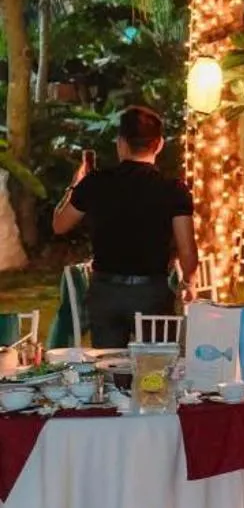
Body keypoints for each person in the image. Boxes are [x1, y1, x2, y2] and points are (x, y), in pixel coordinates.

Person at [53, 106, 199, 347]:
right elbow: (188, 251)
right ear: (159, 144)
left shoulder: (96, 183)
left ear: (120, 143)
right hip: (151, 292)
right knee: (155, 368)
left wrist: (74, 185)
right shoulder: (173, 189)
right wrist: (188, 282)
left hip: (106, 291)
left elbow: (59, 224)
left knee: (109, 367)